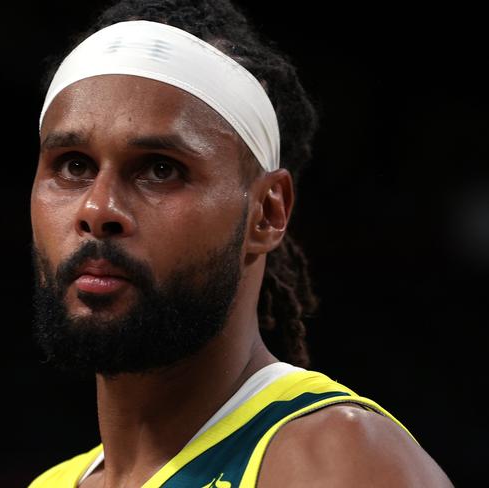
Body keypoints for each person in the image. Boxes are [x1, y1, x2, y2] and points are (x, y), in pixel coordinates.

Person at [28, 1, 453, 486]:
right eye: (74, 166)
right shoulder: (51, 482)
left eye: (161, 169)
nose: (98, 210)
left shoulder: (336, 463)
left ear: (267, 212)